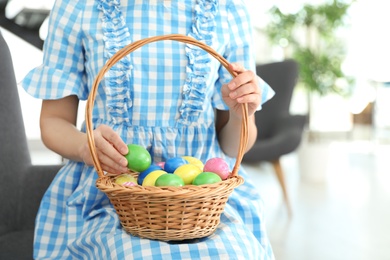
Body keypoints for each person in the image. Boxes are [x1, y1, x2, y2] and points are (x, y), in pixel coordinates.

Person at [21, 0, 275, 259]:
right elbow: (53, 121)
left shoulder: (227, 9)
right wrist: (84, 146)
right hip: (112, 195)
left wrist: (240, 112)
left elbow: (233, 146)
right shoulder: (78, 6)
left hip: (206, 203)